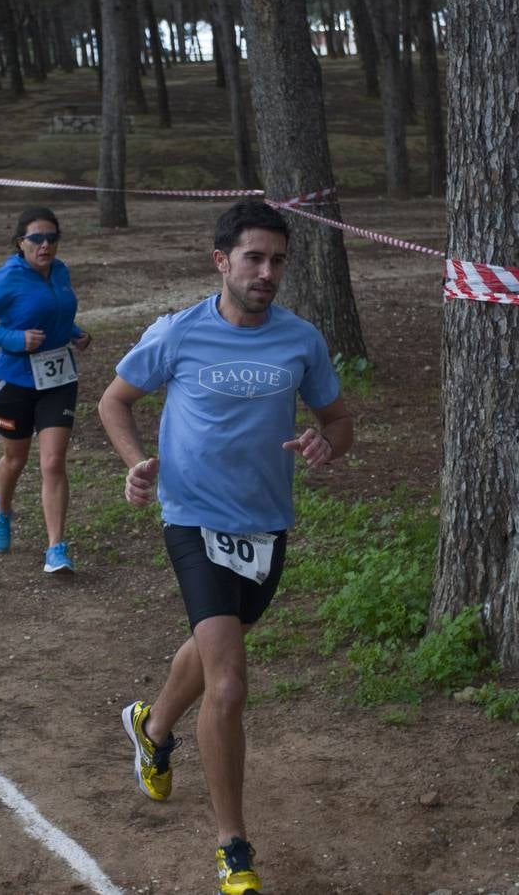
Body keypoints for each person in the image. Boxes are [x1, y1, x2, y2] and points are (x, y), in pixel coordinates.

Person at [98, 200, 354, 895]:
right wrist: (134, 461)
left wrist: (325, 443)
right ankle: (232, 846)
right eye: (253, 258)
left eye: (277, 261)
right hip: (192, 517)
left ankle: (151, 727)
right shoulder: (177, 333)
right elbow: (113, 400)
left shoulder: (301, 341)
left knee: (222, 639)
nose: (266, 272)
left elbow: (337, 419)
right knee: (230, 682)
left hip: (266, 524)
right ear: (221, 261)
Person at [0, 206, 91, 574]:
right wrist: (15, 339)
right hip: (14, 382)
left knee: (52, 462)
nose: (45, 245)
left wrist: (74, 332)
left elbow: (55, 312)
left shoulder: (60, 271)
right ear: (21, 242)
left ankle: (56, 549)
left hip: (58, 380)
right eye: (37, 238)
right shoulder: (6, 278)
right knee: (16, 460)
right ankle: (2, 509)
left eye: (52, 238)